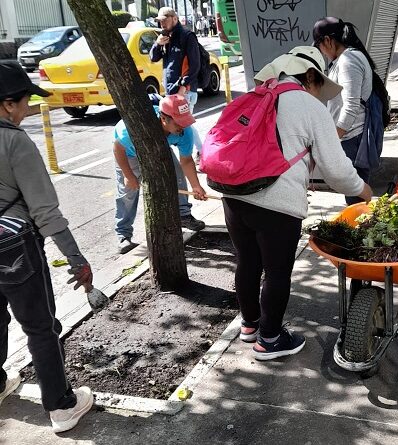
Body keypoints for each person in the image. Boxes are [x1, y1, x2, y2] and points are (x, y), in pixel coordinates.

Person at [223, 46, 372, 361]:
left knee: (247, 262)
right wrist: (362, 189)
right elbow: (335, 168)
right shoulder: (307, 105)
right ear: (310, 77)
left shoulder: (255, 95)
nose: (321, 95)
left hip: (234, 196)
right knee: (277, 272)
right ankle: (270, 339)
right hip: (276, 204)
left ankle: (250, 326)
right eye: (320, 86)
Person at [0, 61, 94, 433]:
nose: (27, 110)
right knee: (41, 328)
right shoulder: (14, 141)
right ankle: (61, 406)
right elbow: (45, 211)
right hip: (14, 248)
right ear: (8, 104)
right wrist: (77, 259)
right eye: (24, 103)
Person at [113, 95, 207, 254]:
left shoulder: (185, 131)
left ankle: (184, 214)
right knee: (128, 192)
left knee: (177, 175)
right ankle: (123, 235)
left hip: (160, 147)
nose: (183, 127)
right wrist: (128, 175)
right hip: (129, 154)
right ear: (164, 118)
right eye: (179, 122)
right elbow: (118, 148)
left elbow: (186, 161)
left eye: (185, 121)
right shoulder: (134, 128)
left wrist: (196, 186)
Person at [313, 17, 375, 205]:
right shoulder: (346, 58)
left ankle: (362, 231)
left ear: (328, 41)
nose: (321, 52)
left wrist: (333, 138)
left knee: (356, 198)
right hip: (350, 138)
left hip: (352, 139)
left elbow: (351, 106)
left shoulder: (348, 60)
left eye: (319, 46)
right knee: (354, 196)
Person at [150, 7, 202, 110]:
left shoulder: (187, 36)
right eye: (160, 21)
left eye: (164, 20)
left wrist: (183, 88)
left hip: (184, 91)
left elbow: (195, 65)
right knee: (173, 125)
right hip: (170, 90)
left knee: (182, 124)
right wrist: (158, 44)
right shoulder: (165, 36)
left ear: (174, 18)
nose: (162, 23)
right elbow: (153, 58)